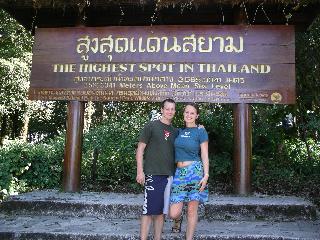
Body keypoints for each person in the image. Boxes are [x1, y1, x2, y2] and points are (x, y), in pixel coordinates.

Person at [136, 98, 178, 240]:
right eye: (167, 108)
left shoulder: (175, 131)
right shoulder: (151, 126)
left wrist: (200, 128)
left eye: (172, 109)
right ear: (162, 109)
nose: (170, 111)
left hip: (169, 176)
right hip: (153, 174)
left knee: (161, 212)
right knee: (148, 211)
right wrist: (140, 171)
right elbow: (140, 149)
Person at [169, 103, 209, 240]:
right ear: (183, 114)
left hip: (195, 172)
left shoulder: (201, 131)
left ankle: (189, 238)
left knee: (192, 210)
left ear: (197, 115)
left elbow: (204, 154)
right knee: (173, 213)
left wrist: (206, 175)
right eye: (187, 112)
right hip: (179, 173)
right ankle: (177, 220)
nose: (189, 115)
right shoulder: (178, 132)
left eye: (192, 113)